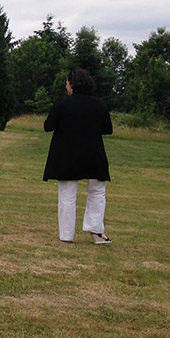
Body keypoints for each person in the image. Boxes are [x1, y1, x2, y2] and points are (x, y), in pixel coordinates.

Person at [43, 68, 113, 244]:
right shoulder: (100, 104)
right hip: (93, 154)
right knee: (97, 191)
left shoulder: (62, 103)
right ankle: (96, 231)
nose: (66, 86)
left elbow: (48, 126)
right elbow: (107, 129)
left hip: (67, 154)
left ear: (72, 84)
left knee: (67, 194)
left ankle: (67, 236)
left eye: (67, 82)